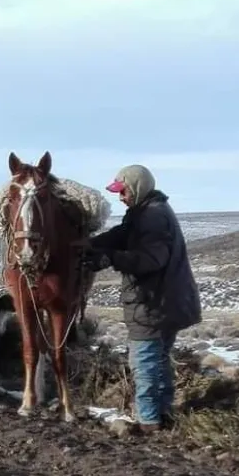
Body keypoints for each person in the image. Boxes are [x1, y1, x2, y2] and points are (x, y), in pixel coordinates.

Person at [79, 163, 202, 432]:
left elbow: (151, 259)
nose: (120, 197)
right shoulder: (145, 212)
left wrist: (111, 257)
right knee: (159, 360)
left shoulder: (152, 217)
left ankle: (148, 421)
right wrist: (93, 245)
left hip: (152, 303)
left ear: (136, 189)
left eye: (123, 192)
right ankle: (164, 412)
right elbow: (123, 235)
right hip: (167, 301)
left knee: (144, 361)